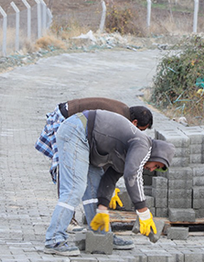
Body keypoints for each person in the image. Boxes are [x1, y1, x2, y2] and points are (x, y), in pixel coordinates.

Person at [43, 110, 175, 257]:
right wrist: (143, 211)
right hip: (77, 131)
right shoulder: (142, 145)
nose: (151, 169)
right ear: (157, 155)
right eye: (156, 165)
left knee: (95, 189)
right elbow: (132, 175)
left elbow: (109, 179)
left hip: (88, 143)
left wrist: (102, 207)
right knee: (75, 188)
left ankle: (102, 235)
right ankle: (54, 240)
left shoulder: (129, 153)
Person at [35, 98, 153, 244]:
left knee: (94, 185)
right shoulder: (122, 121)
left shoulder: (124, 114)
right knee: (73, 185)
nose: (139, 135)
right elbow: (109, 148)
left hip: (87, 136)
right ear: (135, 123)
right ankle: (57, 235)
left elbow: (103, 150)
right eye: (140, 130)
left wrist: (108, 186)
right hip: (69, 124)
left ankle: (102, 235)